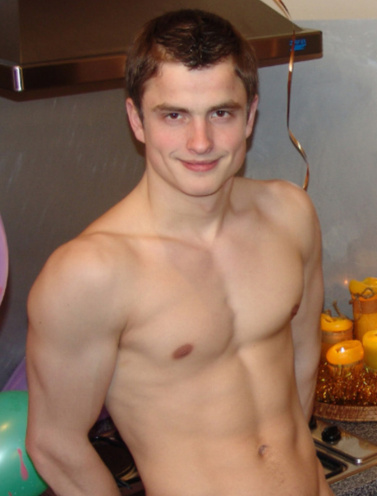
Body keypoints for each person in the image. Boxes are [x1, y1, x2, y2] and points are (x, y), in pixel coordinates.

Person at [26, 8, 332, 496]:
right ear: (136, 119)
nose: (200, 142)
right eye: (174, 115)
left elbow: (302, 365)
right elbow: (54, 444)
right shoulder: (91, 272)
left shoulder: (291, 216)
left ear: (250, 115)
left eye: (221, 113)